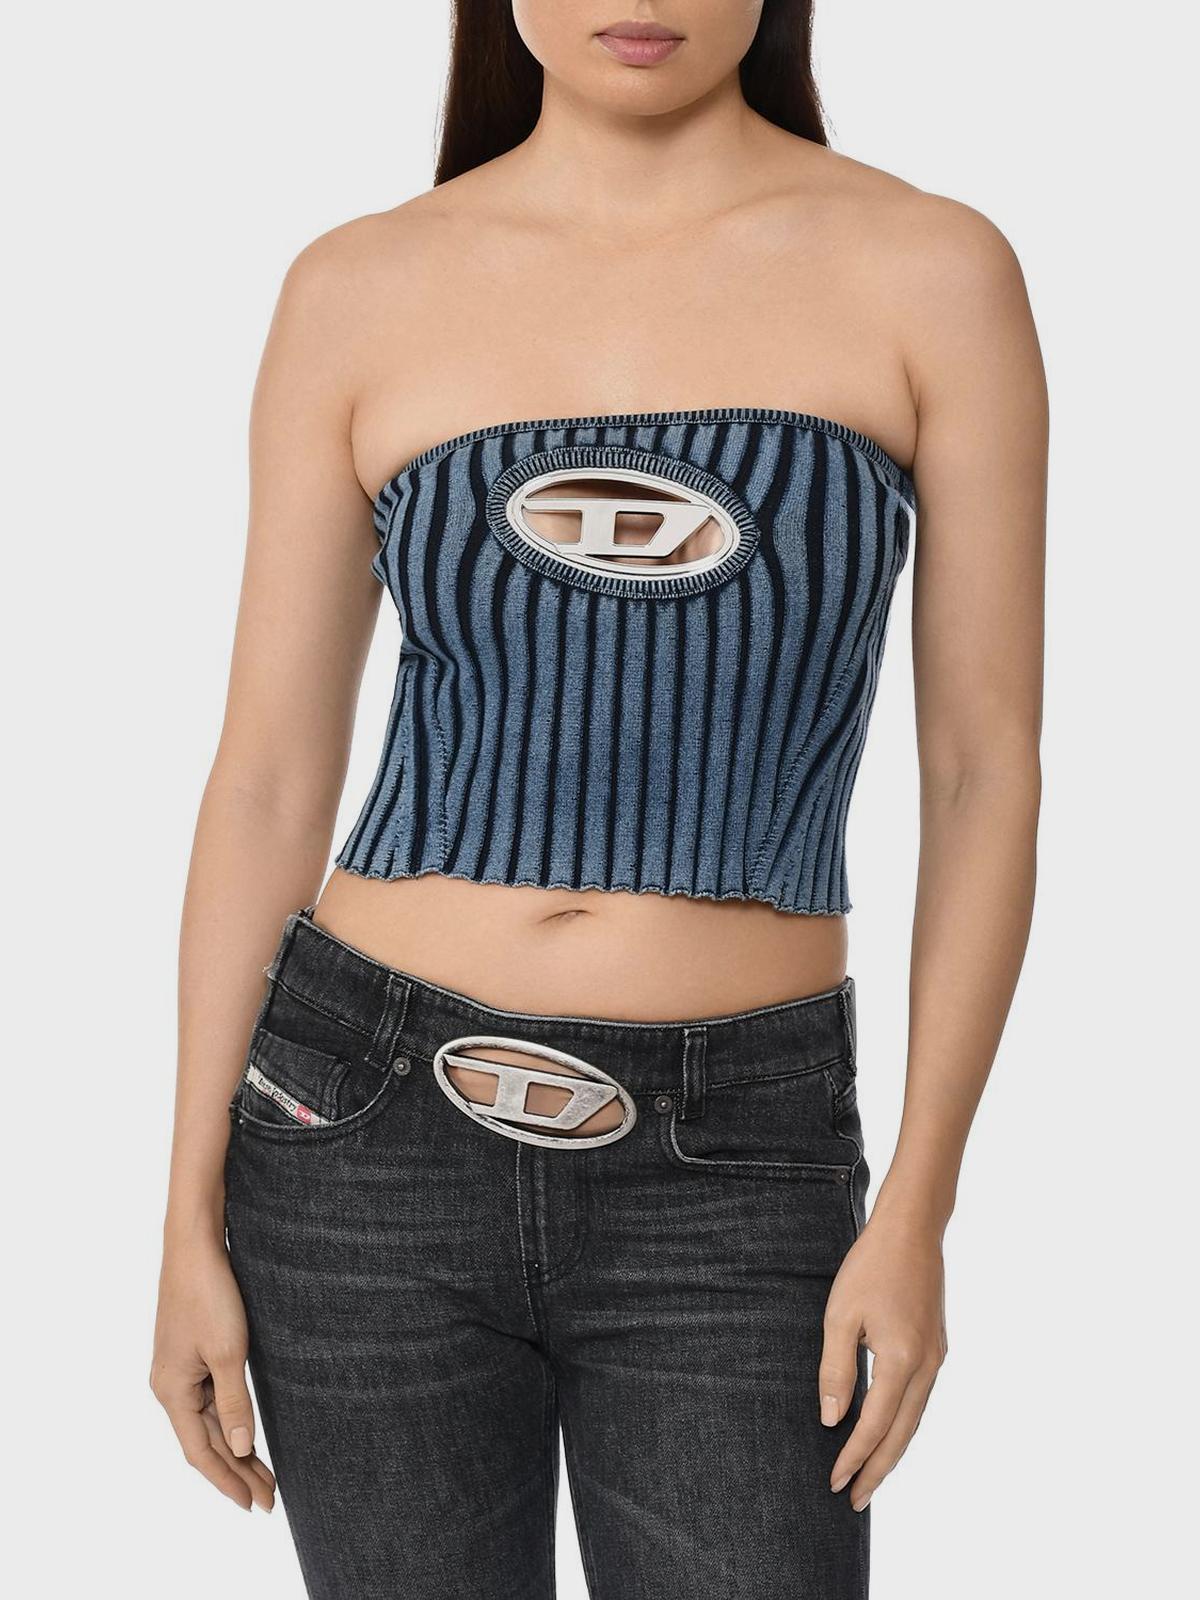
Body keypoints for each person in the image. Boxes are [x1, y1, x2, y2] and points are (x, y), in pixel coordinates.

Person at [150, 4, 1047, 1596]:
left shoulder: (929, 269)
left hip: (739, 1162)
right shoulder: (359, 284)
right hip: (358, 1135)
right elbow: (270, 777)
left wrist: (918, 1206)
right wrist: (184, 1217)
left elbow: (984, 771)